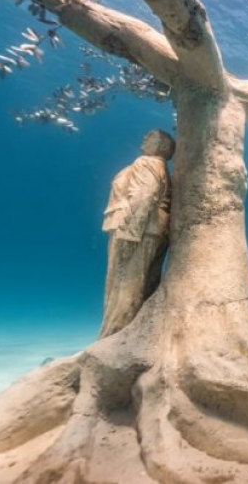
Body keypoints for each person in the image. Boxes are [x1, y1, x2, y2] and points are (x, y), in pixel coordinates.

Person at [100, 129, 175, 338]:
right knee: (143, 284)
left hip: (138, 230)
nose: (144, 138)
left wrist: (130, 234)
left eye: (149, 136)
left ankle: (114, 338)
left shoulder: (147, 162)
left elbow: (144, 195)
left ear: (162, 145)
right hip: (154, 230)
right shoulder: (161, 167)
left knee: (123, 285)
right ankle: (139, 335)